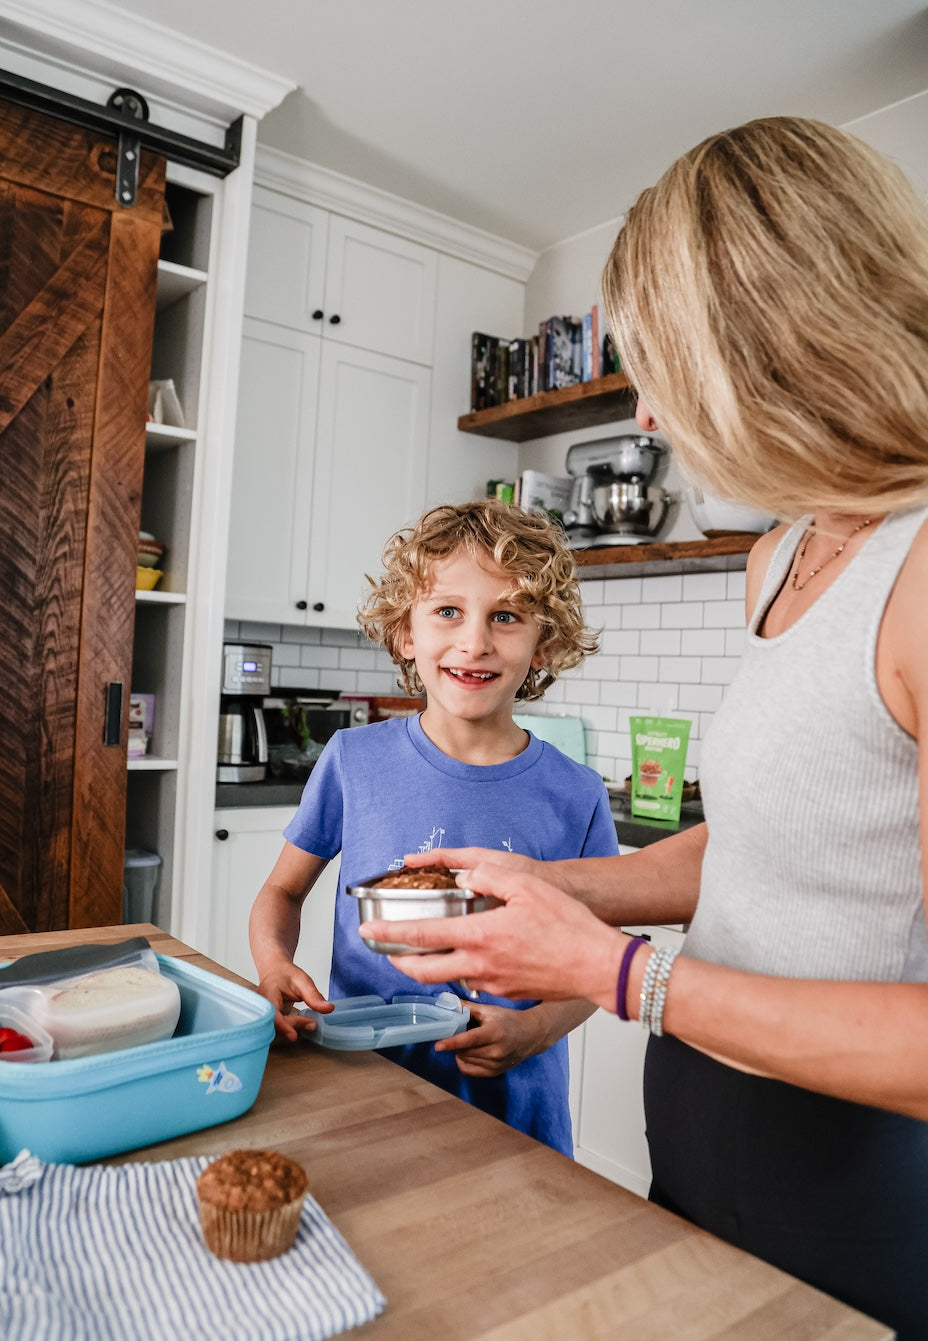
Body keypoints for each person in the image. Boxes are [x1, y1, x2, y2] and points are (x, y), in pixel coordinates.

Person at [356, 117, 928, 1338]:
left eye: (664, 368)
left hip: (863, 1167)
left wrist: (604, 969)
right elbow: (772, 842)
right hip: (708, 1118)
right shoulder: (779, 558)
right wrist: (550, 887)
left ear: (769, 348)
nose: (655, 419)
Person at [249, 499, 619, 1156]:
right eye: (448, 610)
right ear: (405, 632)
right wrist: (275, 964)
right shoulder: (353, 760)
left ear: (547, 642)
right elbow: (282, 892)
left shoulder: (576, 794)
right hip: (365, 1094)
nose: (474, 640)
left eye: (506, 616)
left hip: (516, 1110)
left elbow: (603, 958)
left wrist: (534, 1032)